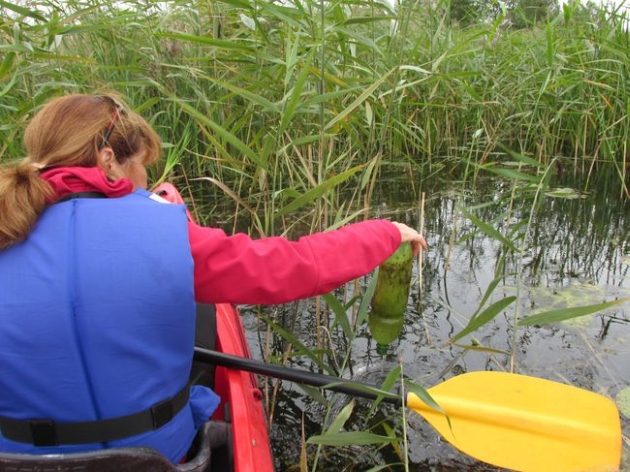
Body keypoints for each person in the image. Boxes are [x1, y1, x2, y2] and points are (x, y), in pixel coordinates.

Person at [0, 93, 427, 463]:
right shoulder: (168, 232)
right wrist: (384, 232)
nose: (146, 181)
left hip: (21, 459)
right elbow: (293, 266)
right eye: (142, 167)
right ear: (108, 160)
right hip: (158, 456)